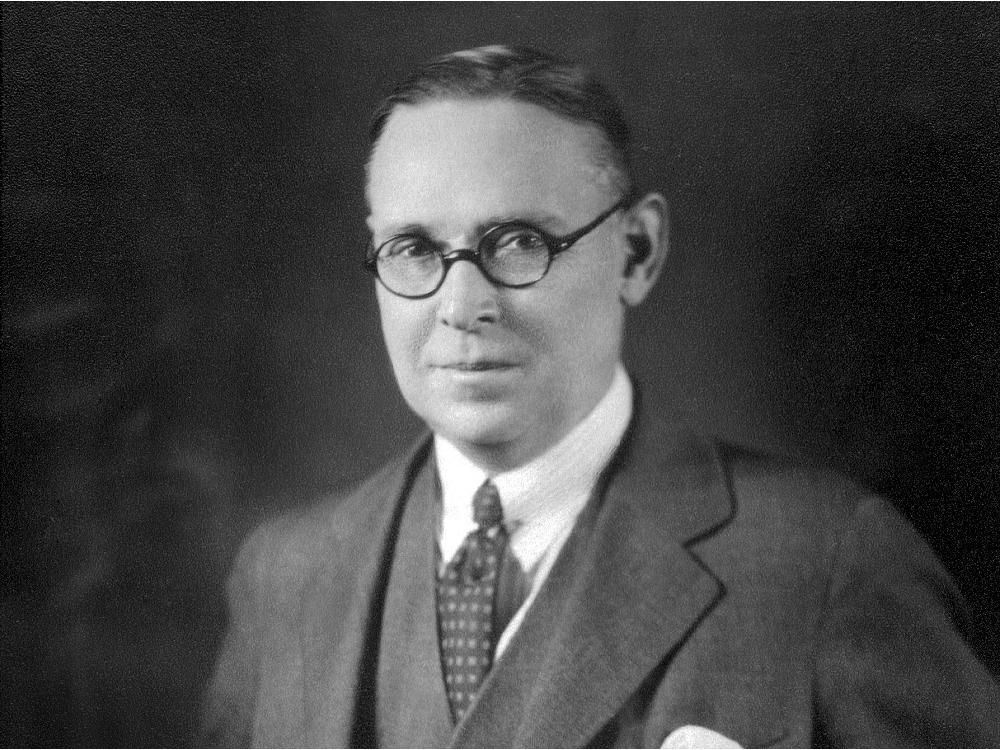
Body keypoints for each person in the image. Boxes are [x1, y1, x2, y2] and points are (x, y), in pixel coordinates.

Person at [200, 45, 1000, 748]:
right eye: (413, 248)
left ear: (637, 252)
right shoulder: (287, 575)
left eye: (520, 242)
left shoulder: (828, 562)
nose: (461, 305)